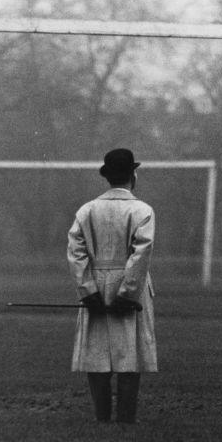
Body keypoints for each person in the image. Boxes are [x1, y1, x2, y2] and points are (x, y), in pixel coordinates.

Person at [66, 148, 157, 424]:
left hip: (96, 285)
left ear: (107, 177)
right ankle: (124, 421)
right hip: (130, 286)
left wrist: (89, 290)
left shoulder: (87, 210)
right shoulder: (142, 210)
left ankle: (102, 420)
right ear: (133, 175)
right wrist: (127, 293)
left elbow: (76, 252)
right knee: (130, 359)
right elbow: (141, 253)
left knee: (97, 357)